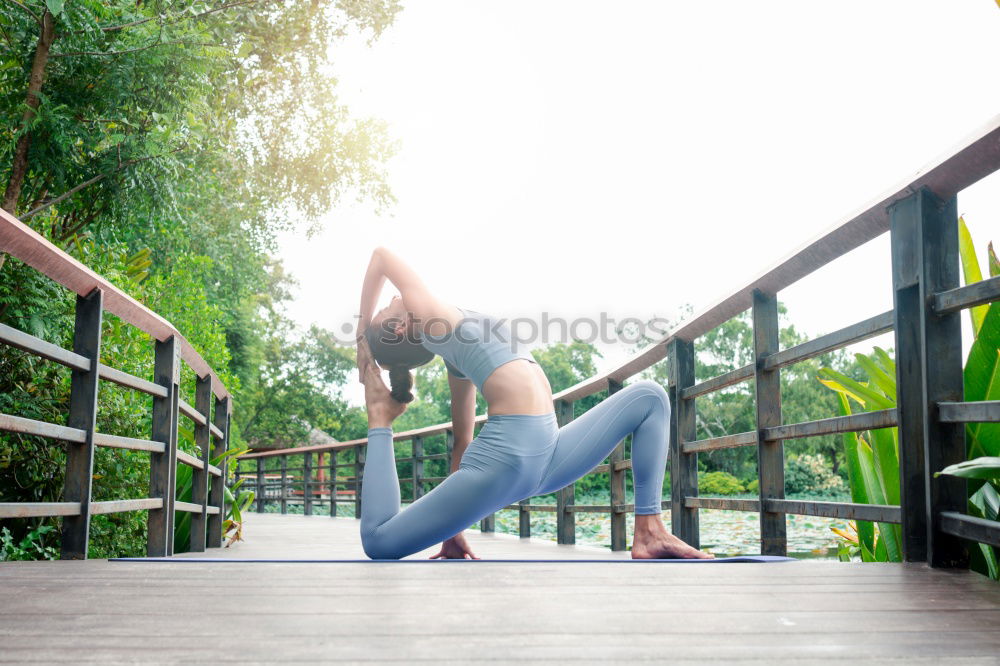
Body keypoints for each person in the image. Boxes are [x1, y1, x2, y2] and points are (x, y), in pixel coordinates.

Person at [355, 246, 713, 560]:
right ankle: (381, 419)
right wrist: (361, 340)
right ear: (397, 329)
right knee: (378, 541)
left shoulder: (451, 350)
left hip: (548, 456)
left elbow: (462, 442)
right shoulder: (428, 316)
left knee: (649, 397)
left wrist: (453, 531)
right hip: (508, 454)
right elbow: (381, 256)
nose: (391, 300)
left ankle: (649, 530)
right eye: (384, 312)